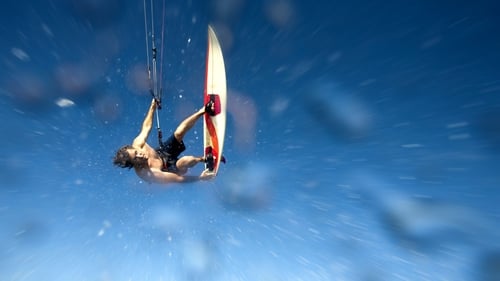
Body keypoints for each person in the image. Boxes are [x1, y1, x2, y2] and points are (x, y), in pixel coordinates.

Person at [113, 98, 215, 184]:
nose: (140, 155)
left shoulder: (137, 144)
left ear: (134, 148)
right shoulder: (148, 173)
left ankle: (204, 110)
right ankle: (204, 159)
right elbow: (178, 179)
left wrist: (152, 107)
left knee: (179, 133)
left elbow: (146, 126)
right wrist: (200, 178)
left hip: (163, 153)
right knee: (186, 161)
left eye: (136, 152)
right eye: (136, 158)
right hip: (168, 167)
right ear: (134, 164)